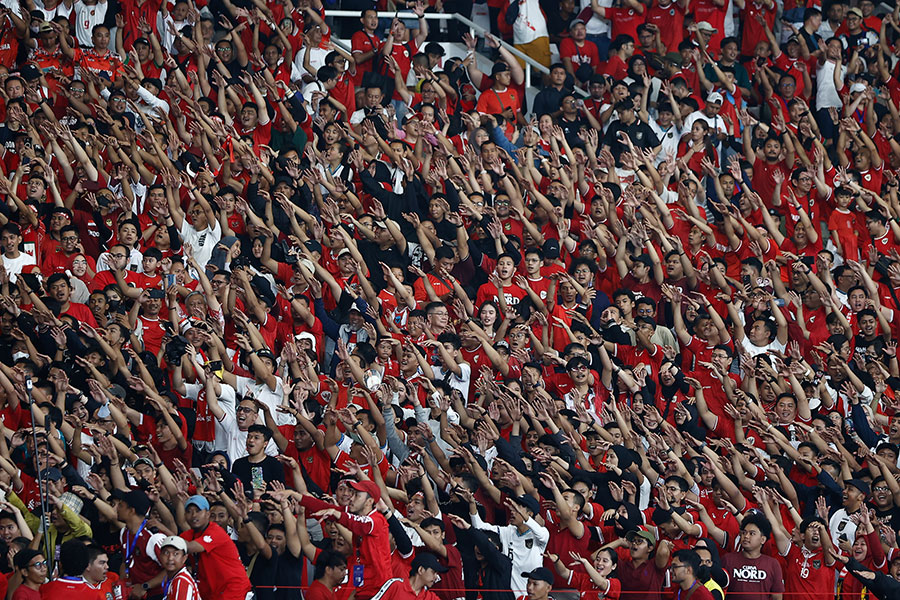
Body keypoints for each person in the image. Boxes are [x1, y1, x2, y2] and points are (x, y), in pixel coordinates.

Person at [178, 495, 252, 600]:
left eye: (198, 511)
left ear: (208, 514)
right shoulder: (188, 535)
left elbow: (191, 547)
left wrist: (169, 539)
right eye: (189, 511)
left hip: (233, 590)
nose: (193, 515)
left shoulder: (215, 531)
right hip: (212, 592)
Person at [158, 536, 201, 600]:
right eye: (166, 553)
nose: (170, 558)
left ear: (184, 558)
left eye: (176, 554)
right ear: (160, 556)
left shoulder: (181, 581)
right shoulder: (175, 577)